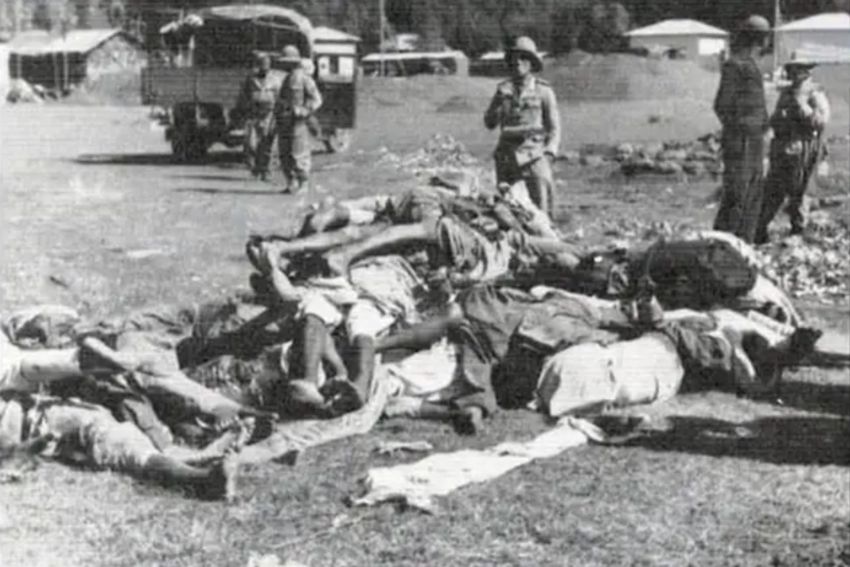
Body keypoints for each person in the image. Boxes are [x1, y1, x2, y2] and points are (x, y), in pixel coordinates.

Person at [0, 333, 246, 500]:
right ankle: (196, 478)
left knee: (98, 423)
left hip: (22, 407)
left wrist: (94, 361)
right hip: (10, 417)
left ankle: (200, 479)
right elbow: (19, 370)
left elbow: (19, 366)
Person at [484, 36, 561, 218]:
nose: (518, 62)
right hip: (507, 158)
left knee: (541, 209)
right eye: (514, 58)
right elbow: (489, 123)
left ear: (532, 63)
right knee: (510, 210)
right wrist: (499, 102)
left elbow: (554, 127)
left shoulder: (544, 91)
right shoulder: (503, 91)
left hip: (533, 156)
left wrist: (550, 152)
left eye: (523, 58)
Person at [756, 61, 831, 243]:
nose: (793, 75)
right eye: (791, 71)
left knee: (800, 191)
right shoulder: (787, 94)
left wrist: (803, 105)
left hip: (803, 149)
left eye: (797, 71)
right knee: (774, 189)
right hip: (783, 148)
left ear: (806, 73)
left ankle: (798, 230)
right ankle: (760, 230)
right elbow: (776, 119)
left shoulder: (815, 94)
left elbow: (820, 122)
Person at [712, 15, 772, 243]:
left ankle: (745, 243)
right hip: (741, 140)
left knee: (754, 192)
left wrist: (762, 127)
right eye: (765, 36)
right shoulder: (735, 65)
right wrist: (741, 130)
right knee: (737, 194)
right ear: (758, 38)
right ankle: (722, 243)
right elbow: (722, 105)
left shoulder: (751, 65)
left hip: (755, 139)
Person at [276, 45, 323, 194]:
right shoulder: (286, 78)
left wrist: (304, 110)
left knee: (299, 153)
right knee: (284, 152)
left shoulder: (303, 78)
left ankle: (303, 183)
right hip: (284, 120)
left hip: (298, 122)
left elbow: (317, 99)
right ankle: (291, 182)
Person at [234, 52, 282, 181]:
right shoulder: (251, 79)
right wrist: (240, 110)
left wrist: (278, 113)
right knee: (251, 143)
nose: (264, 66)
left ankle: (266, 171)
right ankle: (255, 167)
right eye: (262, 64)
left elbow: (279, 97)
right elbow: (243, 95)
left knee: (267, 143)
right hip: (253, 114)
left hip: (269, 114)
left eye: (267, 64)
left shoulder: (275, 79)